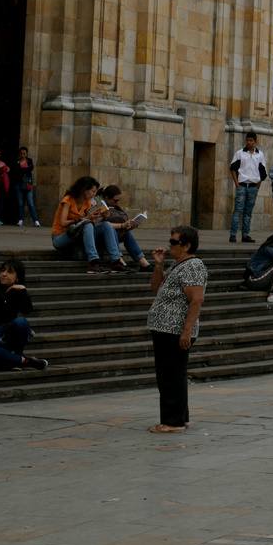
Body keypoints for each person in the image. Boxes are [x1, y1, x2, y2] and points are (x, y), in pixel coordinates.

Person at [147, 225, 207, 432]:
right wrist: (158, 265)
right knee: (171, 375)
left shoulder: (192, 266)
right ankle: (181, 417)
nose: (169, 245)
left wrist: (186, 331)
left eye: (173, 242)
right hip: (165, 329)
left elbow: (197, 300)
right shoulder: (178, 265)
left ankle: (173, 423)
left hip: (174, 330)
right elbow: (156, 288)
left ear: (187, 245)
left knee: (171, 376)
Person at [0, 258, 45, 370]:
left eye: (9, 272)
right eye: (3, 270)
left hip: (8, 335)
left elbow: (28, 310)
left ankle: (17, 355)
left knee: (21, 322)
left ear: (18, 277)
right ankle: (23, 360)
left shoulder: (17, 293)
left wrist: (22, 289)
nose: (4, 274)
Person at [51, 177, 126, 273]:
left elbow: (91, 224)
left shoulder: (86, 202)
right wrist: (83, 219)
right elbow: (63, 223)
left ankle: (115, 261)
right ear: (84, 190)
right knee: (87, 224)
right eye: (93, 191)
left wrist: (103, 218)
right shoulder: (68, 200)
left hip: (76, 233)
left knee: (106, 225)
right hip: (60, 237)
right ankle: (93, 262)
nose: (94, 194)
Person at [97, 185, 150, 270]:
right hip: (100, 237)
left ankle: (143, 262)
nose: (117, 203)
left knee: (127, 234)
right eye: (116, 200)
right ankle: (119, 260)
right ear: (107, 198)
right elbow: (102, 225)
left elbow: (123, 228)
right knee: (111, 230)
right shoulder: (99, 206)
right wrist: (122, 225)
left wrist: (131, 226)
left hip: (112, 234)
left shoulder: (114, 207)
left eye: (119, 200)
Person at [228, 131, 267, 244]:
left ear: (255, 141)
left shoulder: (259, 155)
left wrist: (258, 184)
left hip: (253, 186)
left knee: (248, 212)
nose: (249, 142)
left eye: (251, 140)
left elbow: (262, 171)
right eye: (247, 140)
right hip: (242, 185)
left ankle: (245, 234)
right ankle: (233, 233)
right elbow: (233, 168)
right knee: (238, 210)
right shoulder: (240, 153)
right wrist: (237, 183)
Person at [11, 147, 39, 227]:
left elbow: (30, 168)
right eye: (21, 153)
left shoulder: (29, 161)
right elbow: (15, 170)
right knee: (20, 202)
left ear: (26, 154)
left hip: (27, 183)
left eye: (24, 153)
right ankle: (21, 220)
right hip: (18, 183)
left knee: (30, 202)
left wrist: (21, 170)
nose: (22, 155)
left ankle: (36, 220)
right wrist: (24, 170)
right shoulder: (16, 162)